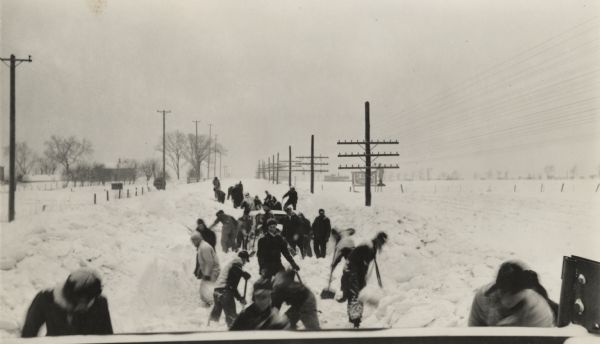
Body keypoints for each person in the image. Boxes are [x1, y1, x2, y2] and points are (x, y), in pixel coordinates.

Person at [21, 268, 113, 337]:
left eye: (88, 300)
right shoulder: (46, 299)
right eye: (82, 300)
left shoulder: (99, 303)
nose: (84, 306)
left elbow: (106, 337)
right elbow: (28, 335)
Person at [468, 260, 558, 327]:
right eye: (503, 290)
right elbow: (473, 333)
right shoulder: (483, 297)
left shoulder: (537, 311)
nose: (506, 297)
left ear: (523, 291)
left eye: (513, 292)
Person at [346, 231, 388, 328]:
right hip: (353, 271)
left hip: (355, 271)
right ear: (378, 240)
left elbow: (363, 264)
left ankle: (355, 319)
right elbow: (358, 262)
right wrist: (359, 278)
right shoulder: (368, 247)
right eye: (382, 242)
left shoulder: (372, 246)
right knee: (356, 294)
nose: (382, 245)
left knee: (358, 293)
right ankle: (355, 320)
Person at [210, 251, 252, 328]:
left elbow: (232, 286)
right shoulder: (236, 264)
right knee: (232, 319)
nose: (245, 263)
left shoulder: (231, 264)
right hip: (225, 292)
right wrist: (243, 273)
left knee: (214, 318)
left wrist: (240, 298)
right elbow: (231, 286)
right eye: (246, 260)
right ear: (243, 259)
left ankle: (208, 332)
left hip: (217, 291)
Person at [191, 232, 220, 307]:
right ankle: (211, 304)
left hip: (212, 272)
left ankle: (214, 305)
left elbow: (209, 262)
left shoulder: (204, 247)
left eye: (193, 241)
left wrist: (207, 274)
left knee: (206, 290)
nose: (193, 243)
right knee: (204, 291)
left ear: (197, 240)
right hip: (210, 272)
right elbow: (204, 261)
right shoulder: (202, 246)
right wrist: (200, 270)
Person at [330, 228, 356, 302]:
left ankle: (346, 296)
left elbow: (338, 257)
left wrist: (333, 265)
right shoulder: (344, 235)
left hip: (351, 261)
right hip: (357, 258)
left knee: (345, 279)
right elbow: (352, 230)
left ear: (335, 235)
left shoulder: (341, 243)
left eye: (334, 237)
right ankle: (350, 294)